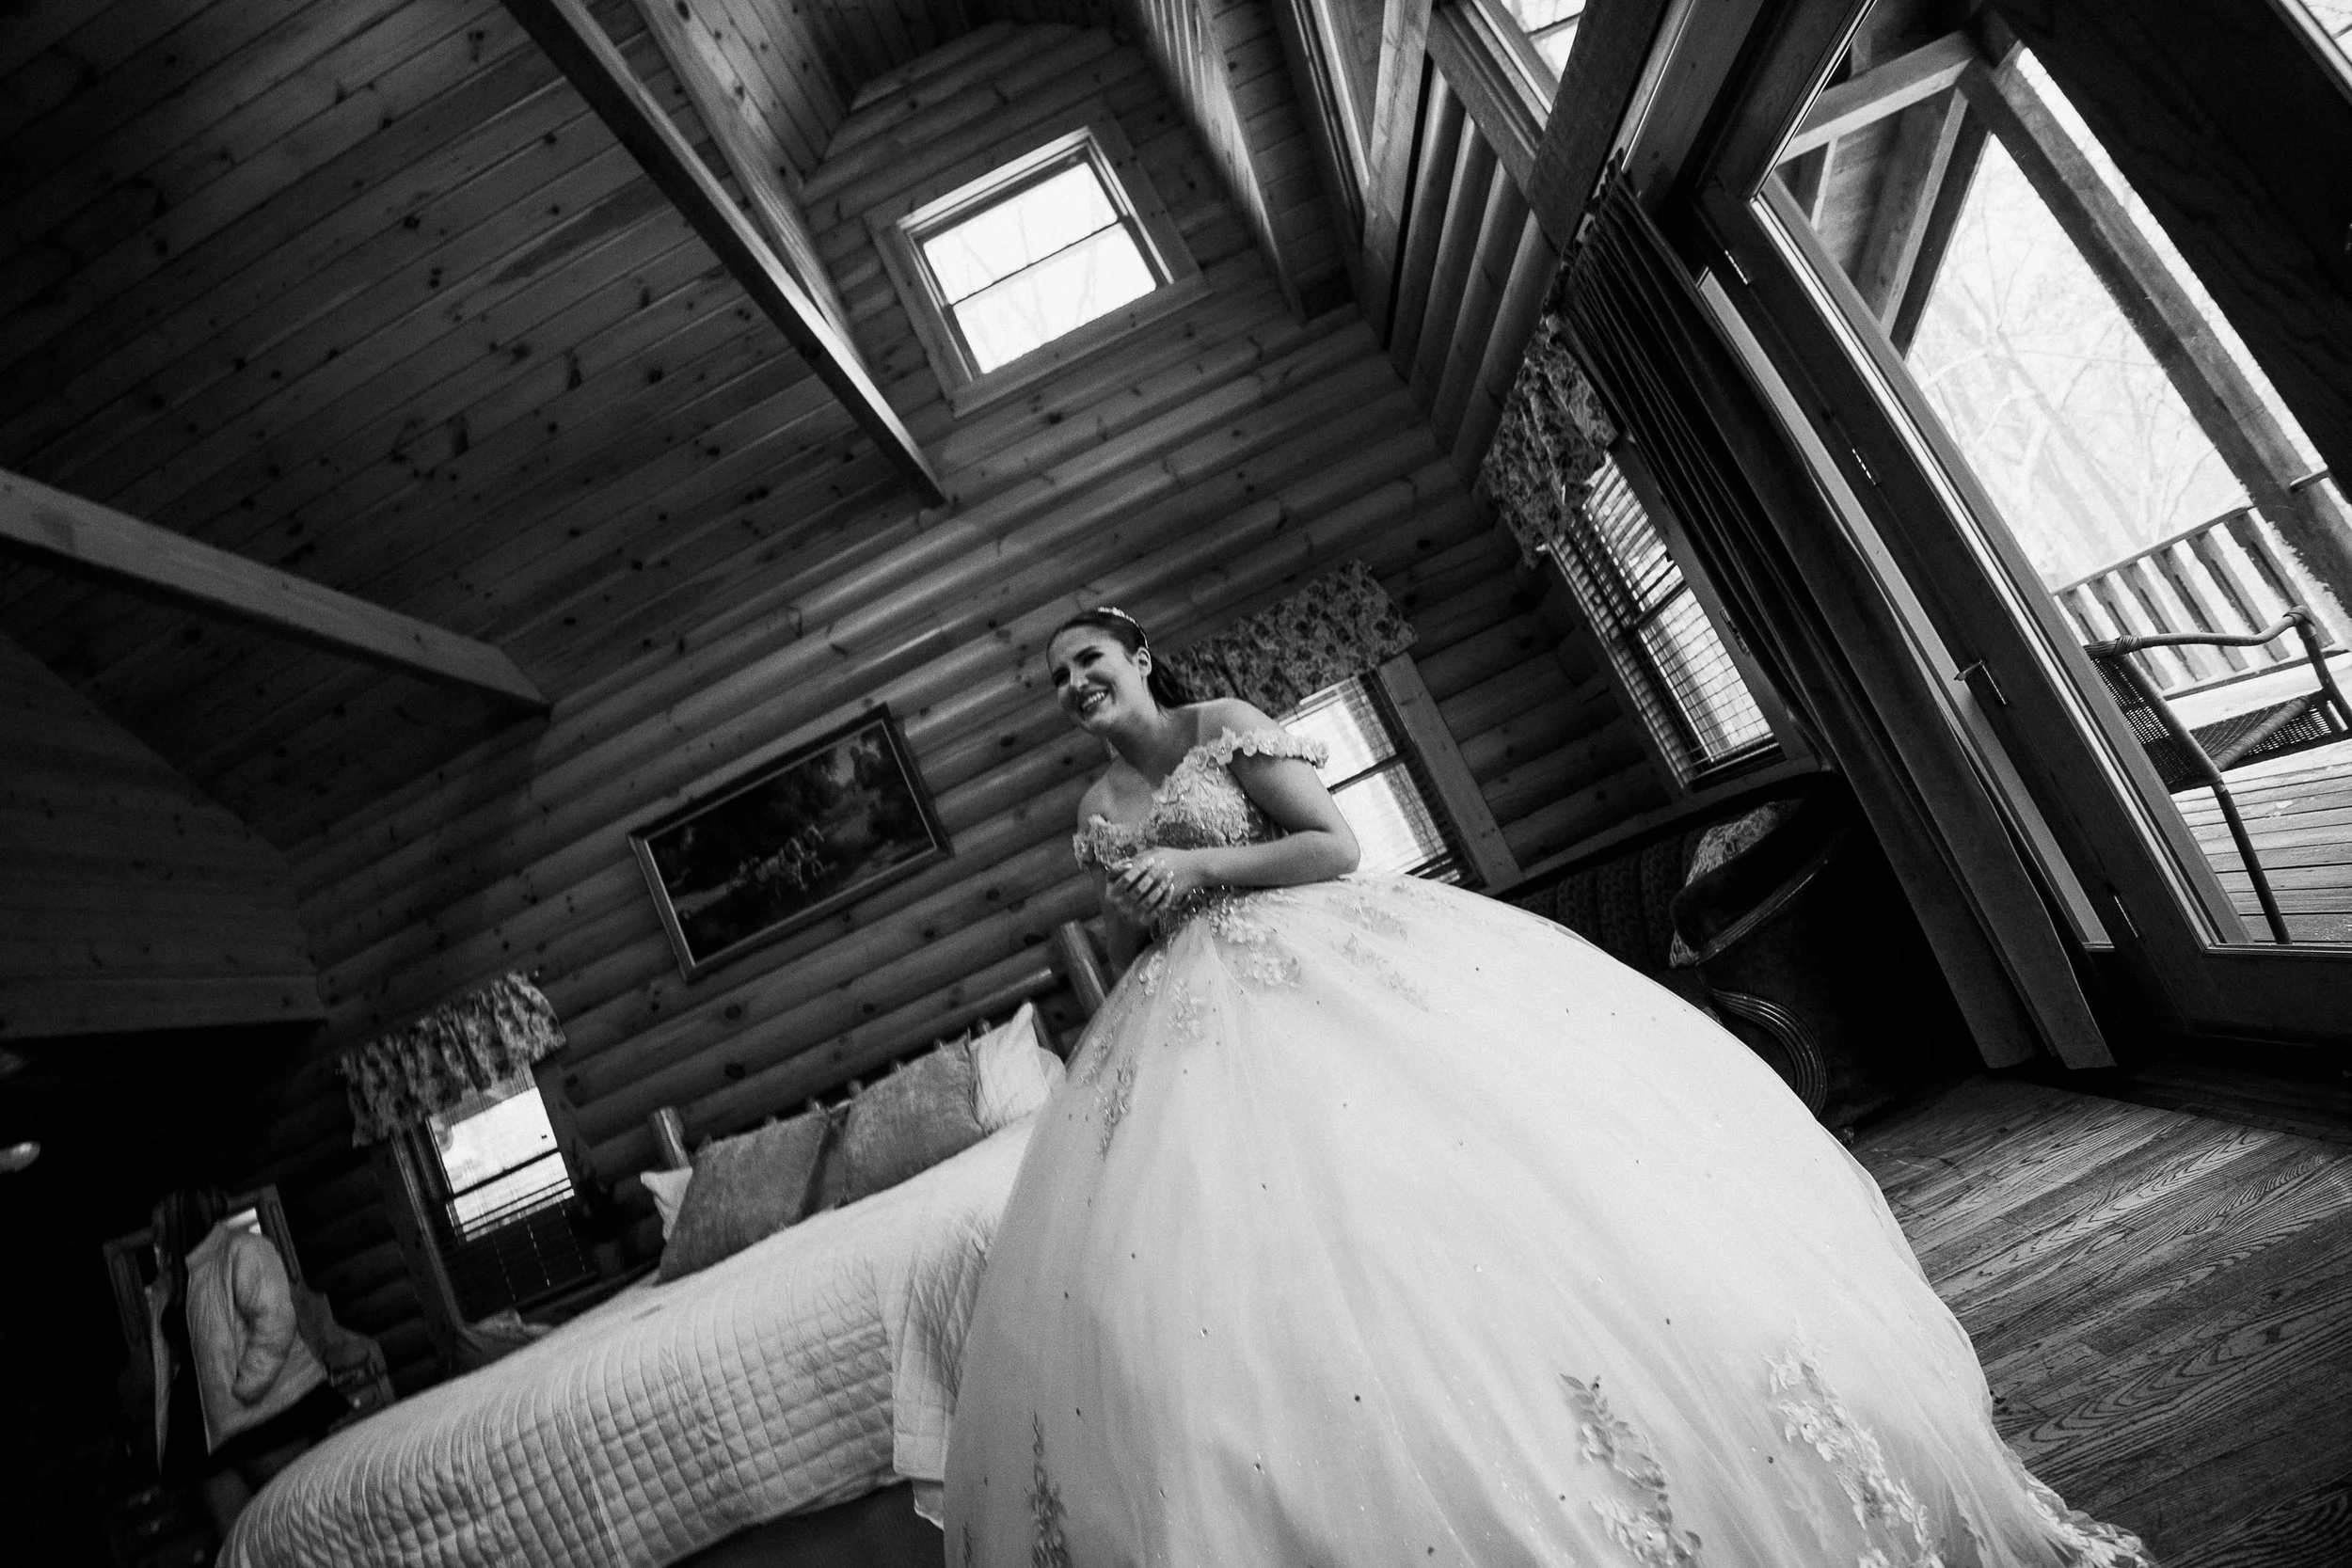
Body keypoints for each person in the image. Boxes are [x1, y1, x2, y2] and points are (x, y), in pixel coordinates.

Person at [943, 607, 2154, 1565]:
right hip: (1192, 1019)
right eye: (1055, 678)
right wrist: (1150, 899)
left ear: (1137, 656)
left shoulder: (1224, 721)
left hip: (1326, 961)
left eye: (1086, 658)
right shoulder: (1094, 807)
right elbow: (1145, 917)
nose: (1074, 684)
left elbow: (1331, 847)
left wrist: (1194, 859)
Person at [141, 1187, 348, 1538]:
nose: (153, 1231)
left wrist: (246, 1388)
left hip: (261, 1411)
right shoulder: (169, 1282)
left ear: (180, 1215)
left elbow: (275, 1323)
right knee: (238, 1537)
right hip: (199, 1422)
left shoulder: (244, 1250)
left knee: (297, 1518)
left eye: (157, 1221)